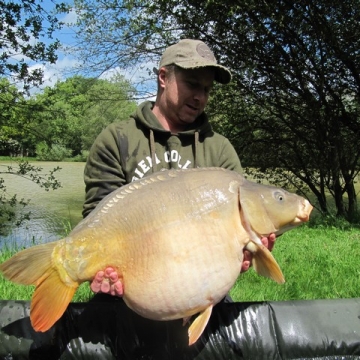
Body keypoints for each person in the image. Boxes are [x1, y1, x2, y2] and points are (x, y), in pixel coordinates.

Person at [82, 38, 276, 296]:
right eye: (192, 85)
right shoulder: (117, 139)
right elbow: (97, 220)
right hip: (129, 291)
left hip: (202, 292)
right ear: (163, 77)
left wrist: (248, 249)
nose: (200, 97)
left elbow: (239, 230)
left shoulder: (219, 149)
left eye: (207, 90)